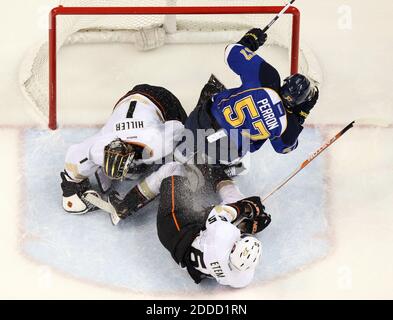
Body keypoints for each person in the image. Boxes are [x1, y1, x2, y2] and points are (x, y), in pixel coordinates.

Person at [182, 28, 320, 167]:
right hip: (223, 153)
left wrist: (249, 42)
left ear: (286, 82)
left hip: (196, 124)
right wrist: (300, 116)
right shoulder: (287, 124)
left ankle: (183, 148)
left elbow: (231, 52)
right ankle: (217, 171)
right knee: (244, 153)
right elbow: (284, 148)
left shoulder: (268, 78)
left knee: (213, 89)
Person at [60, 84, 187, 218]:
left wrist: (134, 199)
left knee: (184, 161)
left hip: (164, 101)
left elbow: (183, 137)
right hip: (129, 100)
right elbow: (72, 165)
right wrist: (70, 187)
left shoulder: (158, 144)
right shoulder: (97, 148)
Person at [156, 163, 272, 288]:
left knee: (174, 169)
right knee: (233, 202)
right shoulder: (241, 279)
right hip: (197, 244)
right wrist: (244, 224)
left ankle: (137, 196)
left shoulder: (222, 237)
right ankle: (217, 177)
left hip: (175, 229)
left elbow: (217, 213)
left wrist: (247, 207)